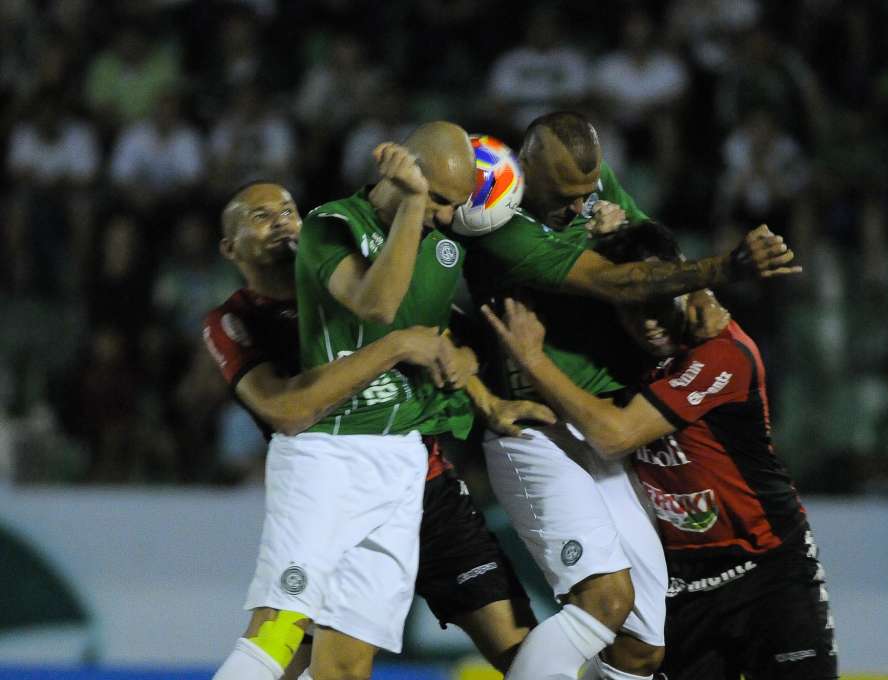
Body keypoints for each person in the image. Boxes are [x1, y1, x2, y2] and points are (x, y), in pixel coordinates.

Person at [460, 111, 799, 680]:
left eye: (589, 192)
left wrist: (620, 234)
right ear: (529, 169)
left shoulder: (588, 186)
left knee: (643, 645)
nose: (580, 203)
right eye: (566, 196)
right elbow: (612, 280)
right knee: (604, 602)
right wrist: (727, 265)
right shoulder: (495, 220)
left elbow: (652, 254)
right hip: (536, 433)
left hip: (605, 431)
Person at [215, 121, 537, 680]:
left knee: (345, 666)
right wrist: (414, 205)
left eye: (284, 211)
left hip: (408, 465)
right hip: (328, 454)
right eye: (259, 217)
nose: (443, 215)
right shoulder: (329, 229)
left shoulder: (440, 245)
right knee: (278, 632)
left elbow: (437, 334)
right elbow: (380, 311)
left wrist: (477, 383)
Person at [481, 221, 837, 680]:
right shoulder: (623, 354)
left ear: (684, 287)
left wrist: (532, 360)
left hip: (768, 571)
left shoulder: (722, 354)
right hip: (685, 583)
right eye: (631, 309)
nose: (647, 322)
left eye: (658, 303)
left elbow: (614, 436)